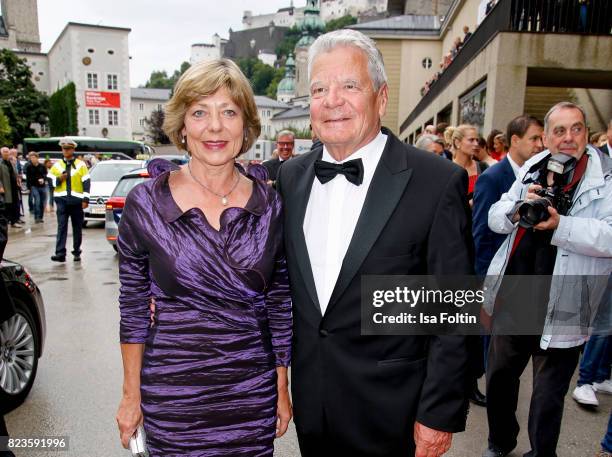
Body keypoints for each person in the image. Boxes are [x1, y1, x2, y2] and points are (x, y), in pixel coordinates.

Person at [276, 29, 472, 457]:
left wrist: (438, 413)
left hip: (394, 413)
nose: (332, 100)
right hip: (314, 406)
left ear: (381, 98)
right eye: (319, 89)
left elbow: (455, 311)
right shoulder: (289, 178)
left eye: (349, 86)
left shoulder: (436, 182)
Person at [115, 58, 292, 457]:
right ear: (182, 126)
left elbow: (279, 302)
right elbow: (132, 308)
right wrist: (131, 395)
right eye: (200, 112)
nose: (215, 126)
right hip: (174, 390)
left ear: (245, 126)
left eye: (228, 112)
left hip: (251, 391)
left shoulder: (271, 204)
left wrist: (282, 386)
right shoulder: (145, 203)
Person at [482, 101, 612, 457]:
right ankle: (500, 441)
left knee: (548, 394)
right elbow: (495, 218)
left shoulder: (607, 175)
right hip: (517, 291)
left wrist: (561, 225)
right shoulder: (532, 167)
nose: (569, 138)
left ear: (587, 132)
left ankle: (541, 453)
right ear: (547, 136)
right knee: (500, 378)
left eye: (577, 129)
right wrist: (518, 205)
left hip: (569, 297)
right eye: (559, 130)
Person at [473, 115, 544, 277]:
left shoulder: (541, 173)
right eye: (534, 139)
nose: (540, 145)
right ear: (515, 140)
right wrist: (484, 281)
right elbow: (482, 233)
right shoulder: (491, 178)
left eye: (541, 139)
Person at [48, 138, 90, 262]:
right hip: (61, 200)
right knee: (62, 227)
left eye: (68, 149)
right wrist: (60, 178)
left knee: (77, 228)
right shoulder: (57, 165)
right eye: (64, 149)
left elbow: (86, 182)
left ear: (73, 149)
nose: (66, 151)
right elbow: (50, 182)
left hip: (77, 201)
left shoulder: (81, 165)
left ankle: (77, 251)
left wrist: (86, 199)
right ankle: (60, 253)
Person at [445, 124, 486, 203]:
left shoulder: (483, 167)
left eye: (477, 140)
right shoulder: (446, 169)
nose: (476, 144)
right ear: (457, 142)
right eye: (471, 140)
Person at [0, 147, 21, 228]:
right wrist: (0, 187)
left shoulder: (11, 162)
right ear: (1, 153)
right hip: (6, 187)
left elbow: (15, 173)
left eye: (7, 152)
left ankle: (14, 221)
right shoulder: (1, 163)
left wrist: (17, 179)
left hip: (13, 187)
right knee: (7, 205)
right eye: (4, 152)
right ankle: (6, 221)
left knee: (14, 204)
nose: (6, 153)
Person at [24, 152, 48, 223]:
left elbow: (45, 174)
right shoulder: (29, 167)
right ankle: (36, 217)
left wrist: (43, 179)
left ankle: (40, 217)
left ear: (37, 158)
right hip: (34, 186)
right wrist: (28, 188)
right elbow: (28, 178)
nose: (32, 159)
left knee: (42, 202)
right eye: (31, 158)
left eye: (34, 158)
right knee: (37, 201)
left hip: (42, 186)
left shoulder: (42, 166)